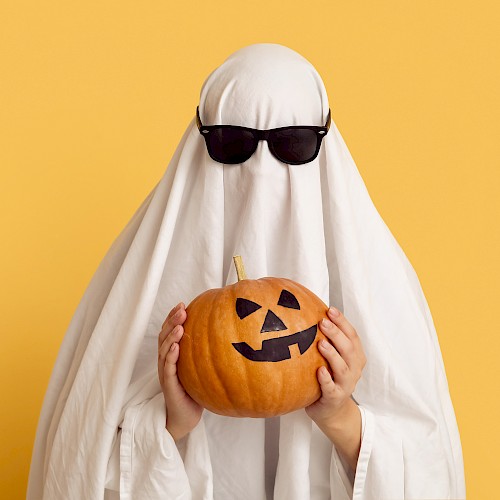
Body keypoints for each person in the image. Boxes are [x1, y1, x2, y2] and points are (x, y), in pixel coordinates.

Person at [28, 43, 466, 499]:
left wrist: (340, 417)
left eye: (293, 145)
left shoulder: (380, 285)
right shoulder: (136, 283)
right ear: (201, 141)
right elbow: (76, 468)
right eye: (231, 144)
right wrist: (170, 423)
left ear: (324, 140)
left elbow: (431, 472)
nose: (263, 170)